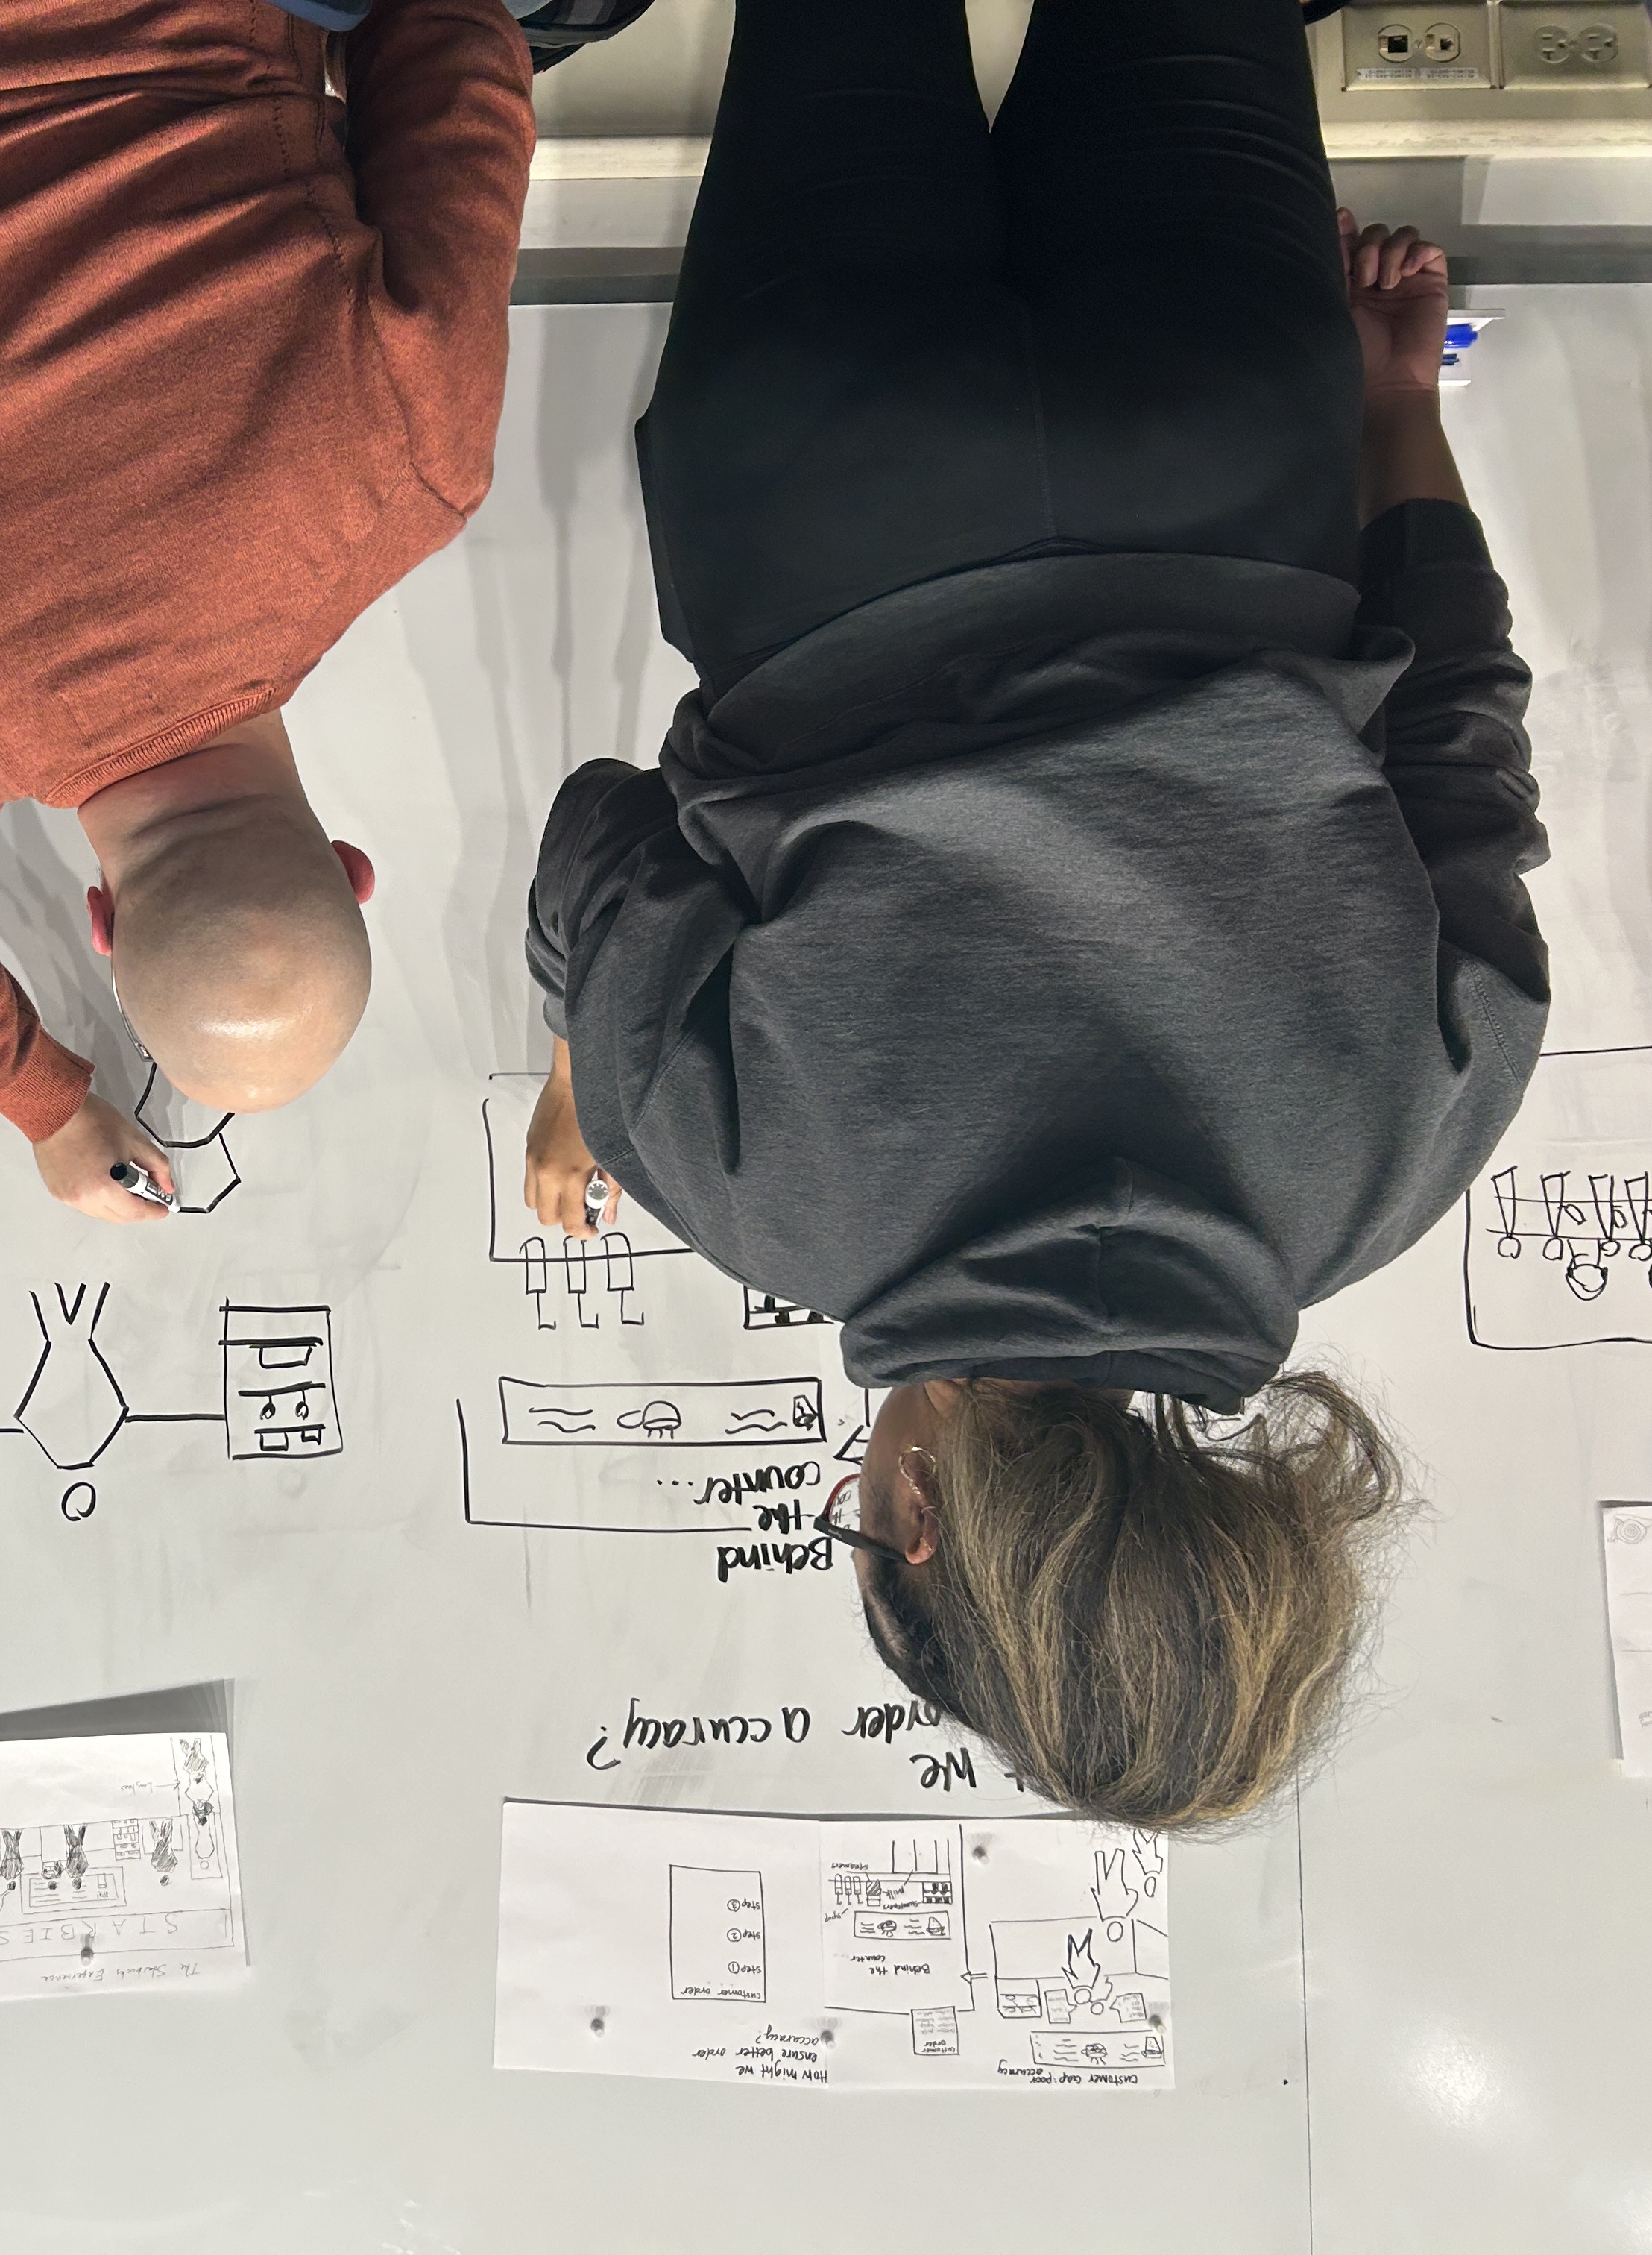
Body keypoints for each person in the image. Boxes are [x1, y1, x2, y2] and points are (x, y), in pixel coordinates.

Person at [518, 0, 1544, 1828]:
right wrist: (580, 1065)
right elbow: (599, 841)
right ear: (925, 1521)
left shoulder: (1400, 1168)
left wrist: (1393, 408)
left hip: (1226, 433)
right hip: (833, 471)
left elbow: (1461, 749)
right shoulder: (765, 1203)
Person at [0, 0, 535, 1221]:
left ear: (353, 868)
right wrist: (42, 1101)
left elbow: (456, 51)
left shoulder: (414, 466)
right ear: (99, 925)